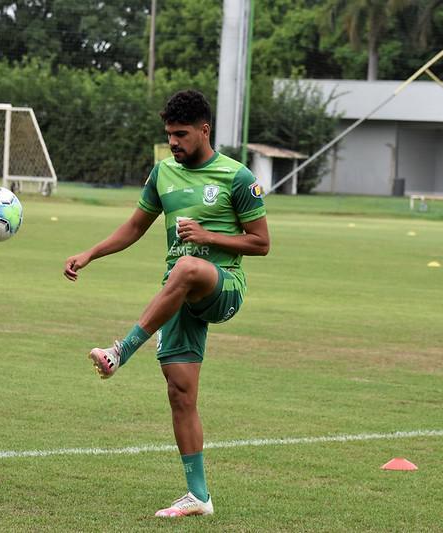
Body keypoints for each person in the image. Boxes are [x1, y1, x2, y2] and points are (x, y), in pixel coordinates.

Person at [63, 89, 270, 518]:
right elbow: (134, 227)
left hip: (223, 286)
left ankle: (120, 351)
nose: (173, 142)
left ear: (204, 130)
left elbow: (261, 243)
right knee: (180, 392)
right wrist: (90, 254)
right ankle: (199, 497)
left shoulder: (237, 177)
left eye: (181, 134)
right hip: (176, 295)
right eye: (169, 134)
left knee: (189, 267)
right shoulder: (162, 174)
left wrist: (208, 236)